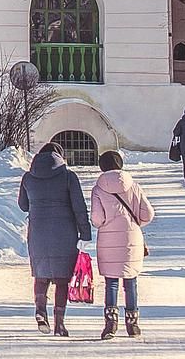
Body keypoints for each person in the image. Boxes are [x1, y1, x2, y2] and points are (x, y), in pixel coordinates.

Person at [18, 141, 91, 336]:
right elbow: (79, 207)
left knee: (41, 276)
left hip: (38, 232)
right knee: (61, 279)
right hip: (64, 232)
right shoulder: (68, 176)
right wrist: (85, 232)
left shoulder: (28, 178)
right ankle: (60, 324)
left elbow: (23, 205)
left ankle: (41, 311)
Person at [89, 150, 154, 339]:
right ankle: (133, 324)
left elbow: (97, 219)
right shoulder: (134, 186)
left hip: (108, 239)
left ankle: (110, 324)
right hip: (132, 239)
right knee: (131, 280)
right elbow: (148, 214)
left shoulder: (98, 189)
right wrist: (133, 224)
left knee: (111, 282)